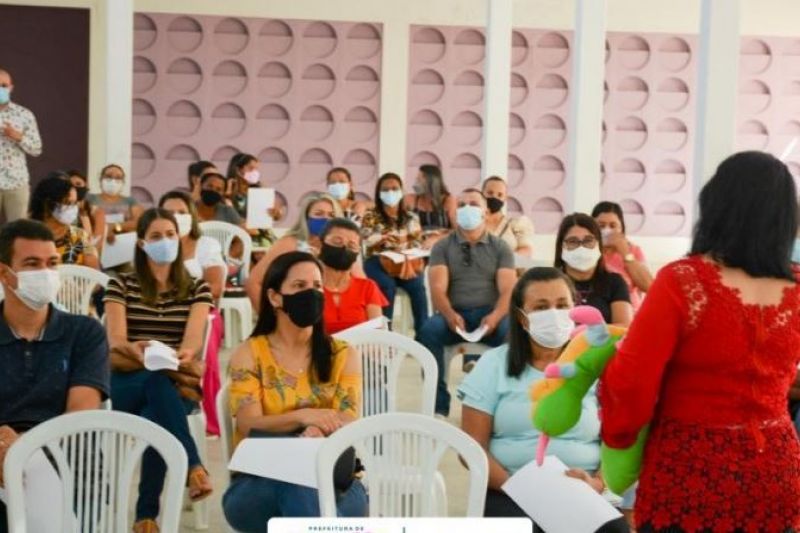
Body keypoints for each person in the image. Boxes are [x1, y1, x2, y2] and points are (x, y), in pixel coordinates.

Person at [601, 151, 800, 533]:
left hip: (690, 472)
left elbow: (631, 383)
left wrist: (619, 441)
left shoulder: (684, 282)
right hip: (776, 472)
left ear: (714, 207)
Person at [457, 267, 629, 532]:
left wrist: (596, 483)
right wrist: (521, 488)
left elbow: (620, 441)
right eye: (541, 307)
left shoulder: (596, 367)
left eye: (562, 305)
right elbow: (470, 448)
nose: (553, 313)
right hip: (509, 491)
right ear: (523, 318)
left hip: (583, 490)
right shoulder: (493, 365)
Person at [222, 251, 367, 530]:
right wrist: (305, 417)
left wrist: (320, 430)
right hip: (258, 484)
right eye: (299, 287)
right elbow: (248, 422)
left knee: (306, 482)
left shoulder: (343, 354)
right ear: (275, 298)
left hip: (335, 482)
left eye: (316, 286)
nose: (311, 294)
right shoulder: (250, 353)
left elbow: (348, 418)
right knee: (299, 480)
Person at [104, 208, 214, 533]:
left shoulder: (197, 288)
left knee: (156, 412)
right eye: (155, 236)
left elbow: (190, 346)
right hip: (127, 384)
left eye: (170, 235)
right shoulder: (120, 284)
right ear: (141, 244)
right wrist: (157, 360)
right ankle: (193, 464)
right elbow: (115, 344)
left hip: (168, 385)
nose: (164, 242)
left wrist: (170, 359)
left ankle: (145, 516)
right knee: (155, 379)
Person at [0, 219, 109, 532]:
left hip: (71, 464)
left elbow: (80, 415)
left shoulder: (84, 333)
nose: (45, 273)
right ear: (4, 273)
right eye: (32, 264)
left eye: (52, 264)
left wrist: (22, 449)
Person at [416, 189, 516, 417]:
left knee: (514, 333)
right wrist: (450, 315)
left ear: (485, 211)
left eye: (473, 203)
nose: (467, 209)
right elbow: (437, 288)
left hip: (491, 317)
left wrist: (495, 317)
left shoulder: (501, 247)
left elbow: (508, 289)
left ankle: (501, 404)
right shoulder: (442, 247)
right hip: (454, 315)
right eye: (461, 205)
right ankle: (437, 406)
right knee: (428, 331)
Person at [159, 190, 226, 435]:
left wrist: (186, 297)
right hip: (161, 311)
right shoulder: (157, 244)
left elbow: (216, 286)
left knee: (203, 346)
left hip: (202, 310)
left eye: (182, 212)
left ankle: (207, 416)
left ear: (192, 216)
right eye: (170, 213)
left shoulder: (206, 245)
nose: (176, 217)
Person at [246, 193, 342, 312]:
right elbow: (254, 282)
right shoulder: (289, 243)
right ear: (306, 218)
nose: (326, 219)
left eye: (331, 215)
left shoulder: (342, 249)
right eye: (319, 214)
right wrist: (272, 322)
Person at [361, 172, 429, 332]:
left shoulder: (411, 217)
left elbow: (417, 241)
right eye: (385, 190)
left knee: (418, 287)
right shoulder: (371, 216)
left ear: (401, 191)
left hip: (405, 262)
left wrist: (394, 243)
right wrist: (394, 241)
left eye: (394, 188)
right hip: (377, 262)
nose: (390, 193)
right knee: (386, 286)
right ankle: (385, 335)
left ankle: (424, 333)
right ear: (379, 193)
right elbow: (367, 238)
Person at [554, 213, 632, 326]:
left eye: (588, 241)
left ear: (599, 245)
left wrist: (585, 335)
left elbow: (624, 327)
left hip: (603, 343)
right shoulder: (551, 282)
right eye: (572, 242)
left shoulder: (615, 282)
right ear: (561, 247)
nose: (581, 247)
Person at [319, 218, 387, 334]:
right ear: (321, 244)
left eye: (351, 245)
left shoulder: (368, 287)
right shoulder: (310, 287)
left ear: (358, 252)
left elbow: (378, 335)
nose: (344, 248)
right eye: (337, 242)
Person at [591, 201, 652, 311]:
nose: (607, 230)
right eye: (601, 226)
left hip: (631, 313)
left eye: (613, 226)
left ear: (621, 228)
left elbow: (648, 286)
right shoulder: (587, 251)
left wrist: (625, 253)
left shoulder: (633, 250)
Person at [29, 174, 99, 269]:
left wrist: (92, 256)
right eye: (67, 203)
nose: (73, 208)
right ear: (47, 203)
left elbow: (94, 276)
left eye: (74, 203)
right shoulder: (27, 238)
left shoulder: (80, 235)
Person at [0, 68, 42, 222]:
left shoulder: (24, 115)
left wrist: (18, 137)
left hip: (16, 181)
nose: (1, 89)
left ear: (11, 88)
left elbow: (37, 149)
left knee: (18, 231)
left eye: (4, 86)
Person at [87, 164, 144, 245]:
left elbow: (139, 223)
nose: (113, 181)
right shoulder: (90, 199)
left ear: (123, 182)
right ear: (100, 179)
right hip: (95, 244)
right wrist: (105, 229)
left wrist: (114, 227)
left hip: (122, 245)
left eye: (118, 178)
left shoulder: (130, 201)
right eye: (108, 176)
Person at [482, 176, 535, 257]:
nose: (494, 197)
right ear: (482, 194)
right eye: (490, 193)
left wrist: (505, 260)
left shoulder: (515, 224)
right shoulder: (474, 223)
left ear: (505, 198)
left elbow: (526, 249)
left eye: (500, 195)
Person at [405, 164, 456, 247]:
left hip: (442, 247)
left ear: (430, 181)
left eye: (419, 180)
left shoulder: (448, 200)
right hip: (417, 248)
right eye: (416, 179)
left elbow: (458, 230)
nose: (416, 183)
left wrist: (437, 238)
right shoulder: (410, 199)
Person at [66, 169, 107, 254]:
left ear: (86, 185)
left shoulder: (96, 212)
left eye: (78, 184)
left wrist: (85, 221)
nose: (75, 189)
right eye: (70, 186)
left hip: (89, 257)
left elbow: (96, 247)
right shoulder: (61, 212)